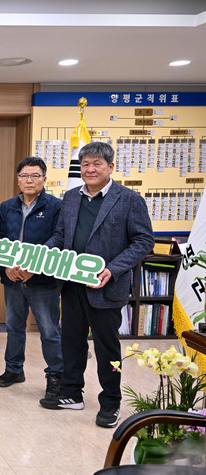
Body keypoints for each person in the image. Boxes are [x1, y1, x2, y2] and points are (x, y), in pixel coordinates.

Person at [40, 141, 154, 428]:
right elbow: (61, 236)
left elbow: (143, 241)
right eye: (85, 164)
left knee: (107, 347)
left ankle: (111, 402)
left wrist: (112, 269)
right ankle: (71, 393)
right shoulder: (70, 197)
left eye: (97, 164)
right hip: (71, 283)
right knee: (71, 341)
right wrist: (41, 254)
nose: (90, 169)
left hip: (105, 286)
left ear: (110, 167)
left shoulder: (129, 199)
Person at [0, 157, 63, 398]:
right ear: (18, 180)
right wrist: (5, 266)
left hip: (43, 279)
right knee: (14, 326)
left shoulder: (56, 206)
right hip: (13, 278)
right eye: (24, 176)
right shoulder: (7, 206)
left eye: (35, 176)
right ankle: (14, 369)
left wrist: (36, 265)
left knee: (49, 330)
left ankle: (56, 376)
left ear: (44, 179)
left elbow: (59, 238)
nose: (29, 180)